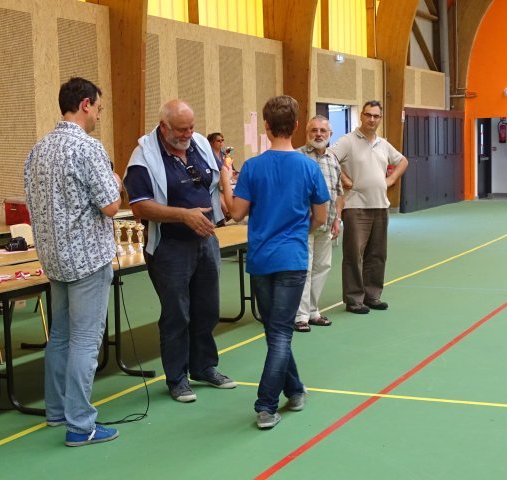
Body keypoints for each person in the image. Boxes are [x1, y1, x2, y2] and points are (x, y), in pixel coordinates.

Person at [221, 95, 329, 429]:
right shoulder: (309, 167)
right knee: (279, 332)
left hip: (261, 260)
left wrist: (225, 178)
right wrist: (297, 232)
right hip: (292, 259)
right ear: (296, 126)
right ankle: (271, 404)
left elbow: (235, 213)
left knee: (276, 331)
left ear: (266, 127)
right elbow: (320, 217)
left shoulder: (253, 167)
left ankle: (287, 393)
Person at [24, 77, 121, 447]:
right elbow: (111, 205)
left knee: (61, 336)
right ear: (85, 105)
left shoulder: (38, 150)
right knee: (84, 340)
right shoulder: (88, 148)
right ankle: (80, 424)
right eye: (98, 108)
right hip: (87, 260)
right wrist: (115, 179)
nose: (98, 115)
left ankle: (56, 410)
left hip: (54, 259)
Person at [124, 99, 236, 403]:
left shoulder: (199, 144)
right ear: (164, 127)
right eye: (181, 130)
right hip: (170, 246)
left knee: (208, 308)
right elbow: (139, 207)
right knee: (177, 314)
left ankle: (204, 367)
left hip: (205, 240)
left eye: (191, 128)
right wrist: (183, 215)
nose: (188, 134)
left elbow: (213, 182)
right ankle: (177, 378)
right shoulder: (143, 157)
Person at [328, 100, 408, 314]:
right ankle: (354, 299)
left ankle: (372, 296)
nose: (372, 119)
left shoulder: (383, 144)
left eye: (376, 116)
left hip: (380, 206)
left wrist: (391, 180)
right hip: (356, 207)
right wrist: (344, 178)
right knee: (354, 255)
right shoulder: (348, 141)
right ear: (362, 116)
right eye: (368, 115)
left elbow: (402, 161)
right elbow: (329, 157)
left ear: (380, 119)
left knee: (377, 254)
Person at [294, 115, 344, 333]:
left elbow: (339, 192)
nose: (318, 134)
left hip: (327, 223)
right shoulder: (297, 157)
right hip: (305, 224)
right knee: (304, 269)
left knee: (322, 267)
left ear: (330, 134)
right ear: (307, 133)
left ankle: (313, 311)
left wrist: (337, 219)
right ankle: (300, 316)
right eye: (314, 130)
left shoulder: (333, 159)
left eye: (323, 131)